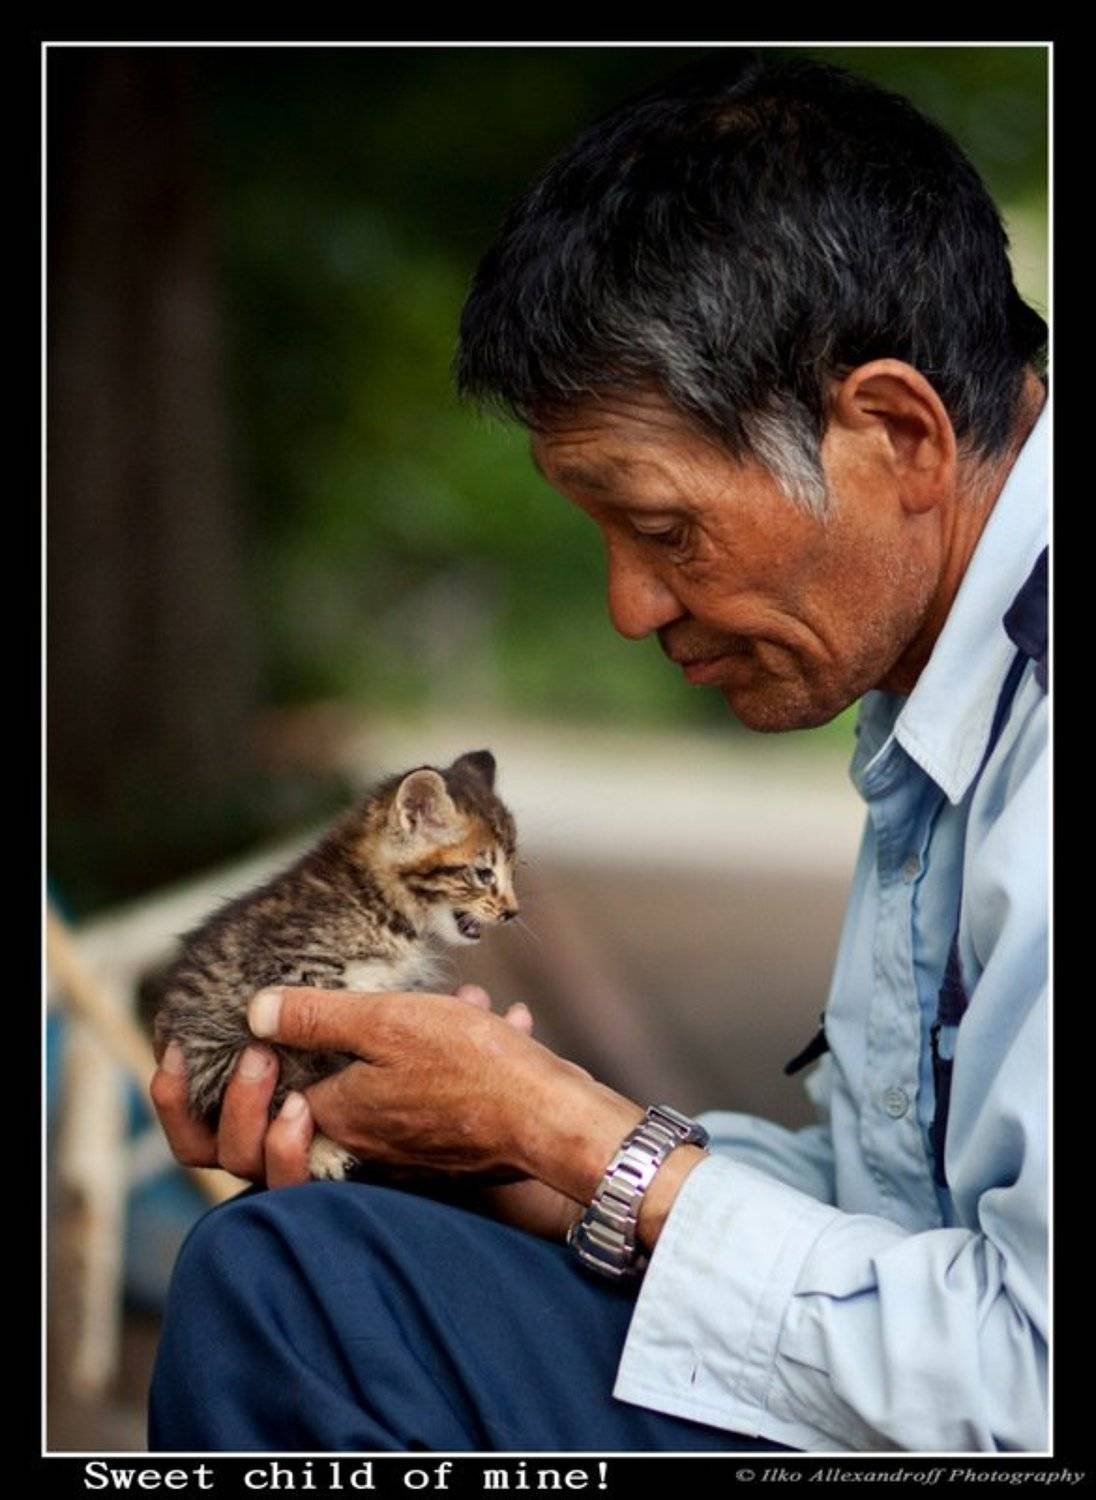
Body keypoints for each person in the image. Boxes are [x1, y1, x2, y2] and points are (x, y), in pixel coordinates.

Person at [147, 52, 1048, 1453]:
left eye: (665, 528)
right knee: (323, 1269)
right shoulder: (946, 678)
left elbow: (1028, 1381)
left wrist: (583, 1141)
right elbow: (899, 1224)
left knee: (300, 1295)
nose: (631, 607)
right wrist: (501, 1148)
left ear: (894, 433)